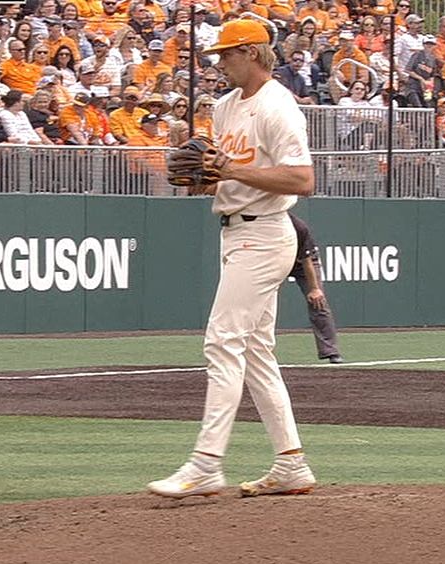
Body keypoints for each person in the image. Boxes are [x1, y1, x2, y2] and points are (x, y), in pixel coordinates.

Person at [147, 19, 317, 499]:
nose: (219, 63)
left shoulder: (278, 107)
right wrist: (200, 178)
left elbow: (303, 179)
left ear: (254, 53)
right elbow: (223, 176)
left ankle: (205, 463)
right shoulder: (223, 107)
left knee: (222, 342)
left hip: (265, 235)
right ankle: (291, 463)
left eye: (228, 54)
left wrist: (230, 169)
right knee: (257, 353)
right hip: (236, 231)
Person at [287, 213, 343, 363]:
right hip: (275, 261)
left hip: (302, 264)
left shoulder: (298, 226)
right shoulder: (261, 224)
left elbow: (307, 261)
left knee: (318, 303)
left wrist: (314, 289)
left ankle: (331, 351)